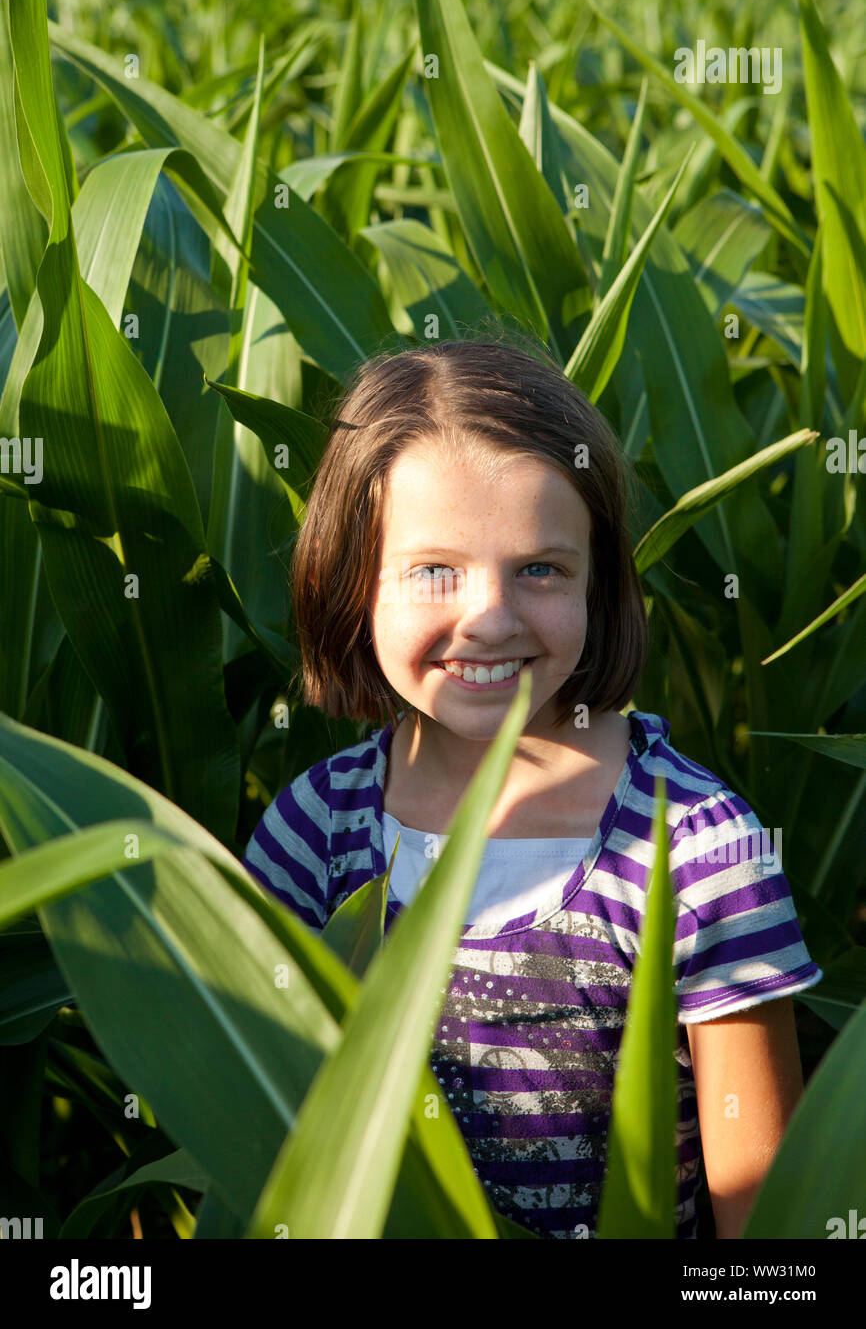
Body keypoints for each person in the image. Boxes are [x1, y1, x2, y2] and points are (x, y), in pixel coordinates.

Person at [241, 333, 823, 1240]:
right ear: (352, 583)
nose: (490, 618)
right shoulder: (314, 831)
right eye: (434, 570)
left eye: (540, 570)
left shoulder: (700, 849)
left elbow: (767, 1227)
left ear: (601, 584)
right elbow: (261, 1138)